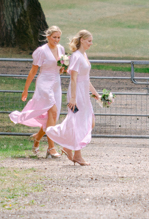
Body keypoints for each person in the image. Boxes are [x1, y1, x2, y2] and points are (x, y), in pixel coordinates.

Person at [46, 29, 101, 166]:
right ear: (82, 40)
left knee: (89, 121)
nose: (91, 43)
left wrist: (95, 93)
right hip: (76, 94)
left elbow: (86, 79)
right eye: (89, 41)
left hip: (83, 92)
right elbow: (74, 79)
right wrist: (73, 98)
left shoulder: (84, 55)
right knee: (79, 122)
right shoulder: (76, 56)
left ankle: (68, 147)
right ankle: (77, 154)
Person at [10, 26, 65, 158]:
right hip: (44, 84)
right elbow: (33, 71)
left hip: (56, 83)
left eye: (58, 37)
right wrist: (25, 89)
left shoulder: (61, 49)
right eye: (54, 37)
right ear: (48, 37)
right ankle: (51, 148)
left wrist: (63, 68)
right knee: (52, 112)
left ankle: (37, 139)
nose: (56, 40)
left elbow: (60, 68)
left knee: (53, 116)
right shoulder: (41, 51)